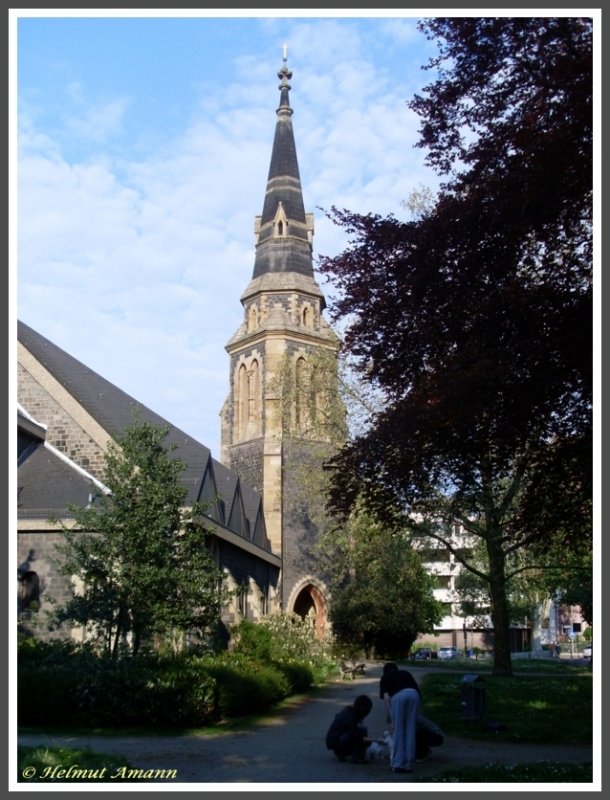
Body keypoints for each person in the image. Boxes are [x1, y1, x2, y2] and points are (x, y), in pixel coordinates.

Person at [379, 661, 444, 772]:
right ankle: (409, 763)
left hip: (399, 696)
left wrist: (392, 717)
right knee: (410, 730)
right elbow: (417, 689)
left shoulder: (385, 677)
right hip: (414, 695)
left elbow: (386, 697)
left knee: (398, 731)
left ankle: (398, 763)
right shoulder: (405, 673)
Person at [325, 694, 378, 764]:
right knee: (361, 732)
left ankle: (343, 753)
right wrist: (372, 741)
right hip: (336, 741)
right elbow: (357, 735)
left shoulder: (350, 711)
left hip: (336, 739)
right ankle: (356, 758)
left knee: (361, 731)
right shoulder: (351, 718)